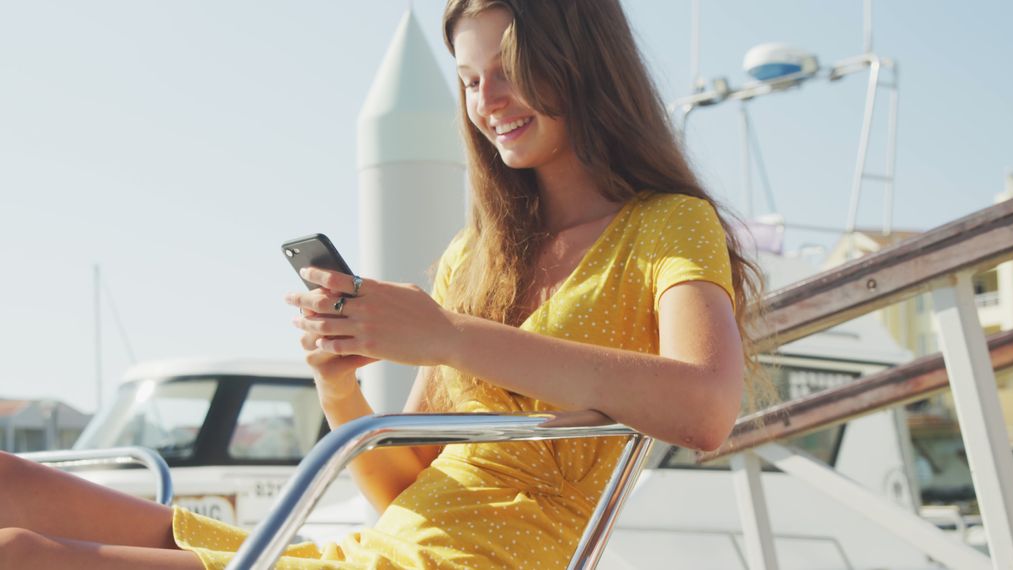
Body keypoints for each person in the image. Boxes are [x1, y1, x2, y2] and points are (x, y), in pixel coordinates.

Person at [0, 0, 767, 567]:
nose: (487, 102)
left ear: (581, 65)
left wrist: (446, 334)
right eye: (469, 81)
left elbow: (705, 407)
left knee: (25, 554)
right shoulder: (477, 257)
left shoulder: (666, 223)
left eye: (509, 72)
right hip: (379, 551)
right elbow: (404, 491)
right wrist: (341, 394)